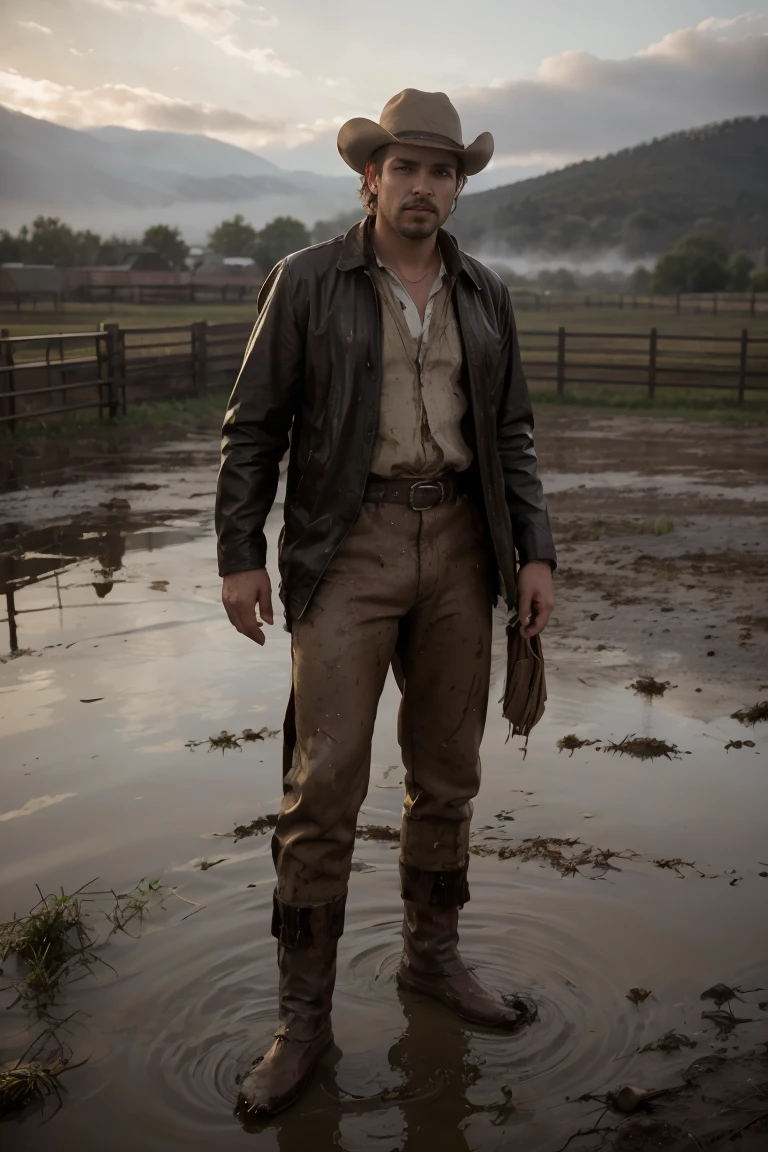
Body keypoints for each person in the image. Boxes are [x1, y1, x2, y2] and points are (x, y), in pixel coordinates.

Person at [215, 88, 557, 1117]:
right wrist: (242, 553)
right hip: (346, 546)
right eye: (404, 168)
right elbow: (253, 426)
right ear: (369, 177)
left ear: (459, 187)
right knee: (324, 790)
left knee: (448, 775)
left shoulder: (485, 292)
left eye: (441, 171)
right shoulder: (307, 282)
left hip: (462, 543)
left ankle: (430, 961)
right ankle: (301, 1024)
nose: (422, 187)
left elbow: (513, 437)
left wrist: (532, 552)